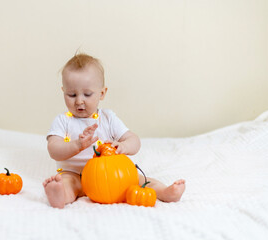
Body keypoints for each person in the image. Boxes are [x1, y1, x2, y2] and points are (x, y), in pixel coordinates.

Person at [43, 53, 185, 209]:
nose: (79, 101)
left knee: (137, 180)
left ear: (102, 93)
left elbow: (134, 140)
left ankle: (165, 192)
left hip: (108, 175)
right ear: (63, 91)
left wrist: (124, 146)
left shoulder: (108, 118)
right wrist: (77, 145)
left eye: (87, 94)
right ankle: (59, 195)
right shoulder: (63, 121)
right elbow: (53, 149)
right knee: (67, 183)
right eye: (71, 94)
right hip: (76, 174)